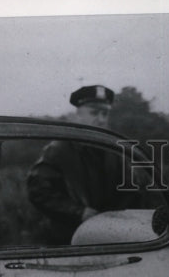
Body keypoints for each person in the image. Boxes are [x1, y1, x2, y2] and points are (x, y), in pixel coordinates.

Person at [26, 84, 138, 244]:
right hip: (70, 240)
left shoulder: (116, 151)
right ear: (78, 115)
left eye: (105, 113)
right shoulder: (59, 150)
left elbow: (131, 191)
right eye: (94, 112)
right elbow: (38, 191)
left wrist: (113, 216)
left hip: (112, 237)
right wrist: (78, 212)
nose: (100, 119)